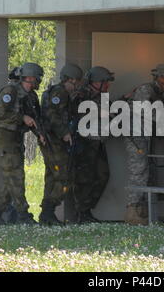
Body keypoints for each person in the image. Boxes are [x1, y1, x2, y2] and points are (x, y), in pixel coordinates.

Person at [0, 62, 45, 225]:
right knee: (16, 177)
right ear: (31, 78)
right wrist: (22, 118)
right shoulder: (10, 91)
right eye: (37, 78)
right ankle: (23, 216)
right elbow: (0, 115)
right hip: (4, 140)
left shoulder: (31, 96)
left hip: (16, 140)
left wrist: (40, 134)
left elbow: (34, 118)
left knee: (10, 179)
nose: (38, 81)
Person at [123, 64, 164, 225]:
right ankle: (133, 211)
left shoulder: (159, 93)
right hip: (135, 135)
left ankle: (143, 211)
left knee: (146, 172)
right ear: (158, 77)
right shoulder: (146, 90)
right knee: (138, 171)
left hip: (144, 135)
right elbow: (145, 111)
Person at [38, 64, 83, 225]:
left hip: (54, 141)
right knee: (64, 176)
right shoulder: (60, 92)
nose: (78, 85)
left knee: (52, 176)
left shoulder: (62, 93)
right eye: (77, 81)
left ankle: (47, 214)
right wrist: (64, 132)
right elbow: (51, 115)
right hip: (54, 141)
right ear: (70, 80)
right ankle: (48, 211)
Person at [70, 66, 114, 223]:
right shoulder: (81, 95)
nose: (108, 86)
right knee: (84, 177)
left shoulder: (101, 96)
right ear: (96, 82)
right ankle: (82, 213)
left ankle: (86, 209)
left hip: (97, 141)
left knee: (102, 175)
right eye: (105, 82)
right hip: (84, 142)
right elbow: (79, 114)